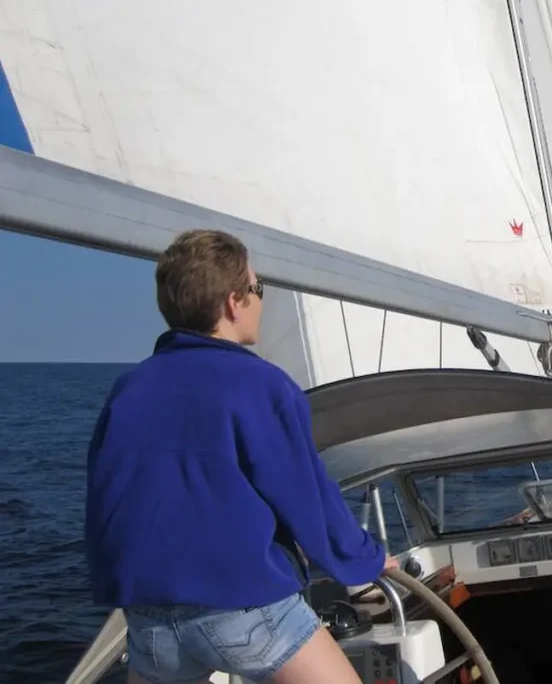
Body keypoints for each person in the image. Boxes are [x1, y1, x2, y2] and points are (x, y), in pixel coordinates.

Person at [85, 229, 397, 684]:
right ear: (234, 302)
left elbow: (106, 502)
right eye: (258, 289)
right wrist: (367, 559)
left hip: (151, 622)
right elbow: (309, 500)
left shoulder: (127, 389)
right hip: (245, 613)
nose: (261, 301)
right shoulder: (261, 386)